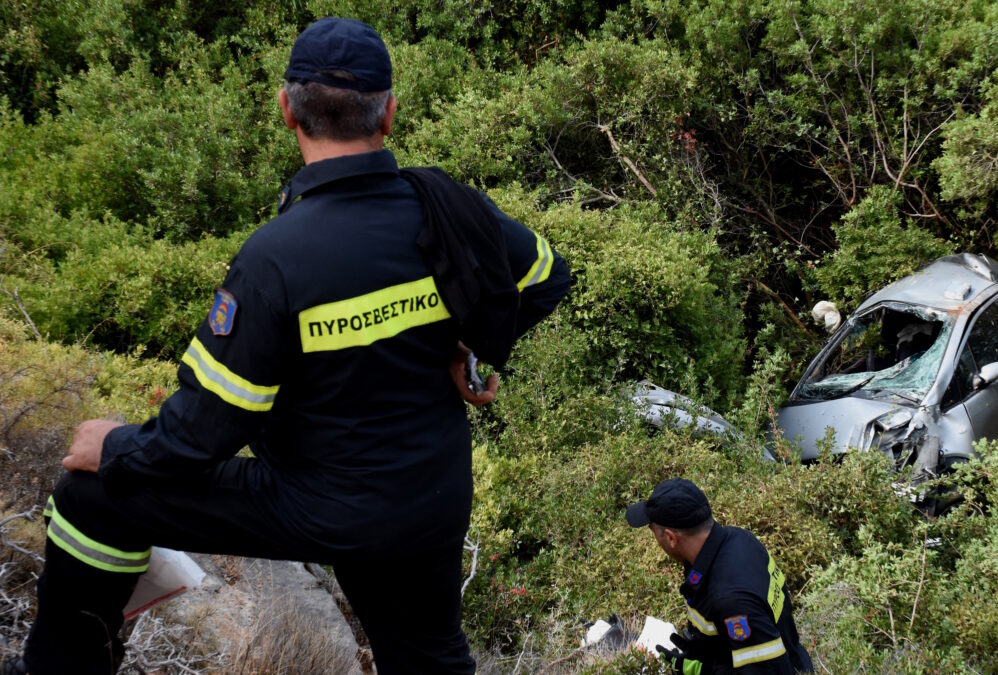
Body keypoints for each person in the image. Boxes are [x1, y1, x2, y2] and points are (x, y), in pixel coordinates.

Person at [8, 17, 569, 675]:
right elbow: (545, 275)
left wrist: (116, 446)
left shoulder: (276, 260)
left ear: (286, 111)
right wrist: (470, 350)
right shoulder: (450, 211)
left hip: (317, 503)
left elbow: (204, 431)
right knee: (429, 658)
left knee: (92, 496)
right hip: (428, 495)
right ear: (389, 113)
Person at [626, 478, 815, 674]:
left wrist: (701, 670)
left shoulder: (729, 599)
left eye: (653, 533)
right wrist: (701, 650)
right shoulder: (738, 538)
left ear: (671, 538)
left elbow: (770, 671)